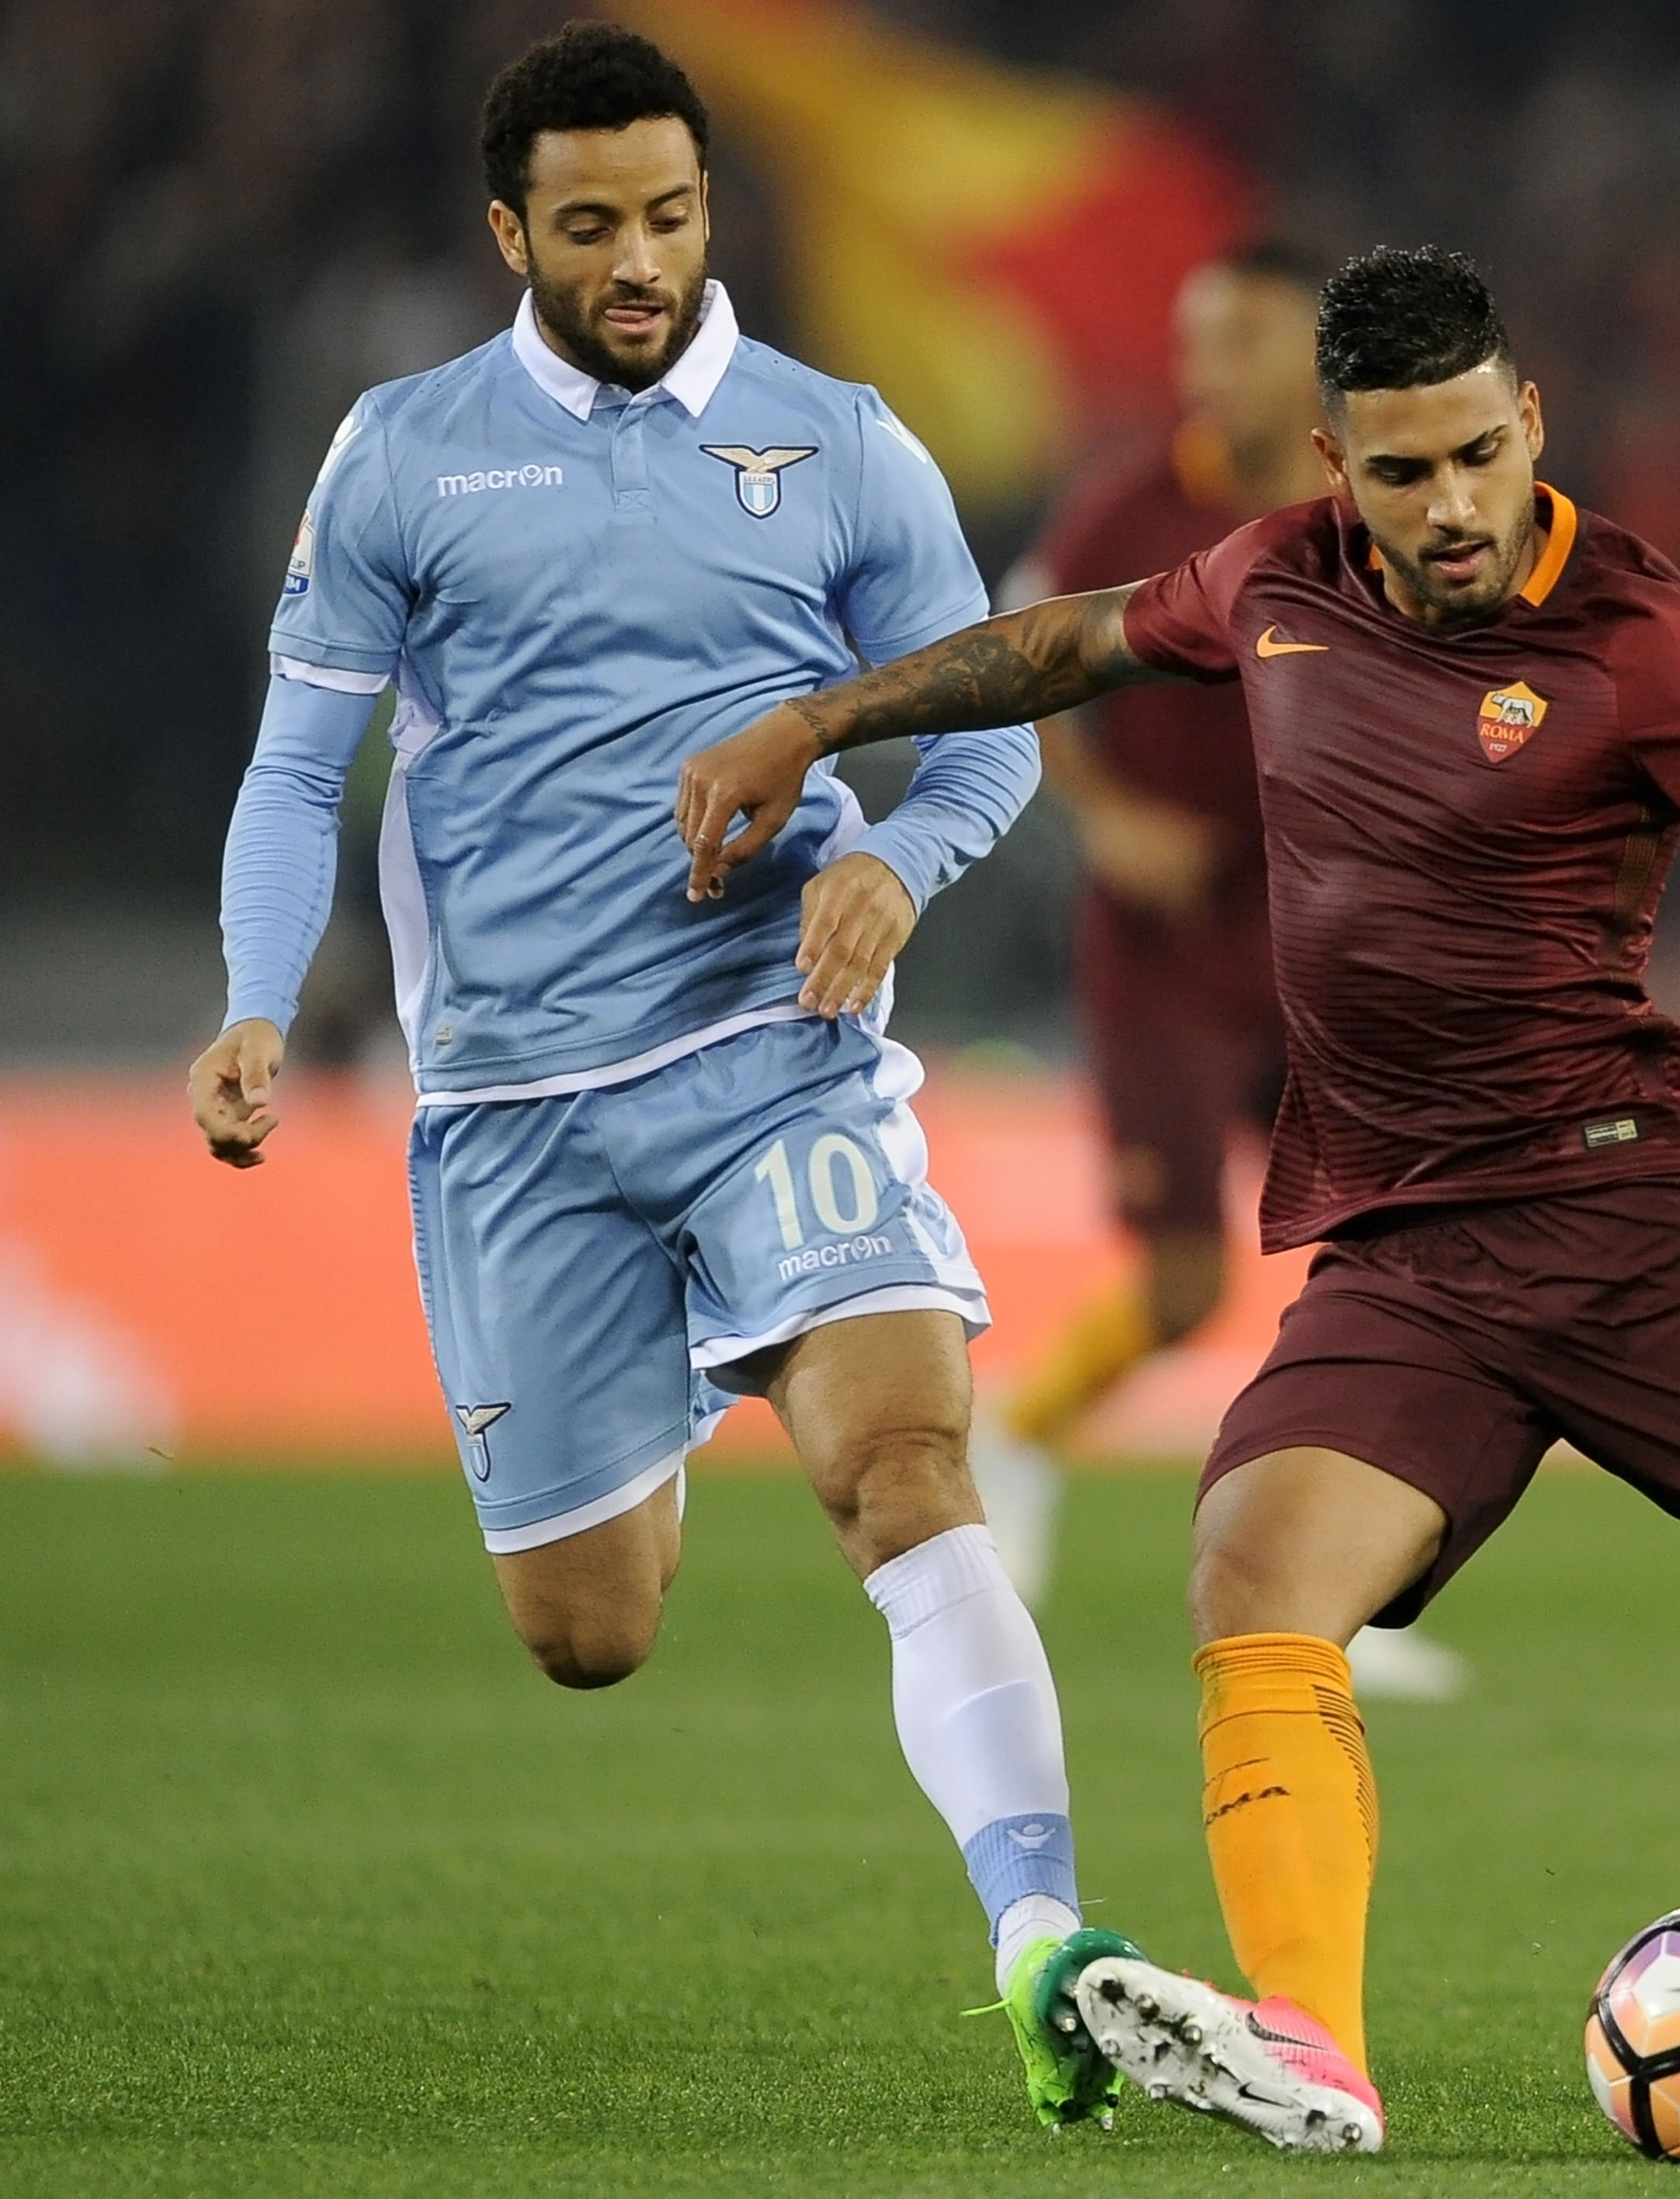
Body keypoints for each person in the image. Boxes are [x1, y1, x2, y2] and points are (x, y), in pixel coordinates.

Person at [671, 246, 1680, 2156]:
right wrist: (822, 722)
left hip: (1636, 1244)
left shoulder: (1638, 631)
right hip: (1405, 1255)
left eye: (1480, 453)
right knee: (1248, 1574)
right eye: (1404, 473)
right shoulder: (1273, 579)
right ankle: (1309, 2044)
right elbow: (1068, 645)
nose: (1453, 506)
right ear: (1332, 462)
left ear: (1532, 418)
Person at [183, 23, 1144, 2132]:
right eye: (595, 224)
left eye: (675, 215)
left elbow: (986, 729)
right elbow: (294, 761)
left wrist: (890, 860)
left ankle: (1044, 1939)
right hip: (518, 1112)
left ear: (716, 210)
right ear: (510, 227)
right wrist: (263, 1000)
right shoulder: (405, 455)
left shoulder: (842, 442)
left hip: (772, 1065)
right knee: (589, 1634)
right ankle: (695, 1364)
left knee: (903, 1463)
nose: (642, 260)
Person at [970, 239, 1467, 1702]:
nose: (1206, 368)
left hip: (1326, 948)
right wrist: (1109, 820)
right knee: (1186, 1290)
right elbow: (1026, 661)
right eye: (1197, 341)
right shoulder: (1124, 509)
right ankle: (1023, 1431)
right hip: (1166, 960)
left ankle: (1341, 1591)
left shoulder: (1356, 514)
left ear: (1304, 363)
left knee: (1398, 1259)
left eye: (1238, 340)